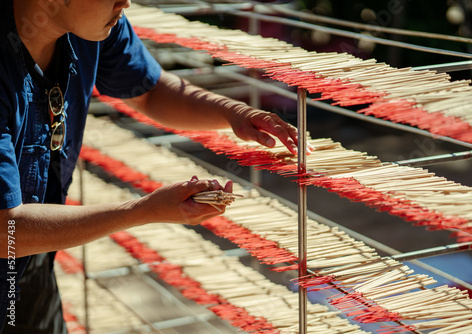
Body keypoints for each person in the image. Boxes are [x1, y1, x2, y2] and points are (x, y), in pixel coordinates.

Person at [0, 0, 301, 332]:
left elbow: (149, 90)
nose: (126, 1)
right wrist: (141, 210)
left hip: (32, 258)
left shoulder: (88, 20)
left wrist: (234, 113)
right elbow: (6, 229)